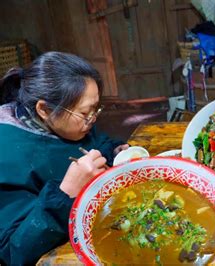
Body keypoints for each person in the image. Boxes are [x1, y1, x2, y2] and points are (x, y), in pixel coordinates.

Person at [0, 52, 129, 264]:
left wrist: (115, 150)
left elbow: (97, 143)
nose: (93, 119)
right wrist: (65, 193)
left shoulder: (75, 124)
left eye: (96, 109)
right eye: (86, 112)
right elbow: (13, 252)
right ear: (44, 109)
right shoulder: (7, 155)